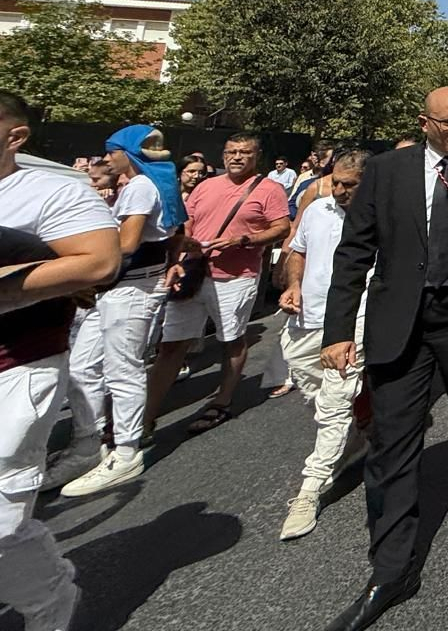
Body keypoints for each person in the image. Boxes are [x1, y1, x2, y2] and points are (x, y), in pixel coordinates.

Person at [319, 88, 448, 631]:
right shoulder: (388, 171)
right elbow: (354, 251)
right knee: (391, 438)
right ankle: (392, 570)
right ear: (425, 122)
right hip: (401, 317)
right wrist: (337, 330)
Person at [0, 91, 120, 631]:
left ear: (15, 135)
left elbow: (99, 260)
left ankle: (52, 606)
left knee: (0, 518)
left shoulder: (50, 191)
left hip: (16, 365)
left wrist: (7, 288)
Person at [54, 126, 189, 497]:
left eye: (110, 152)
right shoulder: (146, 185)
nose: (106, 159)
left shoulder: (141, 187)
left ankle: (125, 451)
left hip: (130, 288)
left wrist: (81, 254)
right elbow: (176, 231)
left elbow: (128, 242)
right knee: (82, 367)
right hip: (117, 287)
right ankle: (88, 442)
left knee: (122, 369)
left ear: (126, 153)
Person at [143, 132, 290, 436]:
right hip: (194, 272)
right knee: (170, 345)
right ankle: (145, 417)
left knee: (231, 341)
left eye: (244, 152)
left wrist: (243, 240)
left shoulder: (269, 189)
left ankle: (221, 401)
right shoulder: (206, 185)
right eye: (231, 152)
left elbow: (281, 227)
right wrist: (180, 252)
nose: (236, 157)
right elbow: (187, 222)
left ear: (256, 156)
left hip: (236, 277)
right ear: (223, 156)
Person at [275, 150, 371, 540]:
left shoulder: (382, 218)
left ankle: (311, 488)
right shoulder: (317, 210)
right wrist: (292, 284)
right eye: (336, 182)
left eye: (350, 184)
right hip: (304, 320)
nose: (340, 190)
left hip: (353, 322)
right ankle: (361, 433)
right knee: (314, 392)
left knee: (332, 405)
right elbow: (297, 250)